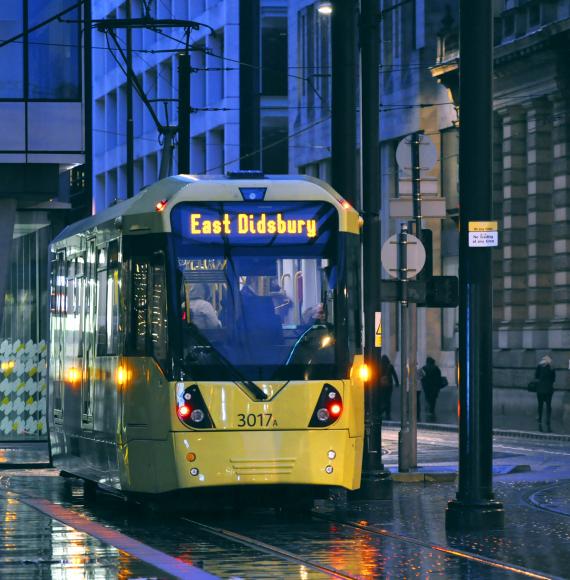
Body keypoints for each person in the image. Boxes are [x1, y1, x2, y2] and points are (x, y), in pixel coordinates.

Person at [535, 355, 555, 432]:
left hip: (540, 389)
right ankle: (548, 420)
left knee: (540, 405)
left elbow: (536, 376)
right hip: (549, 390)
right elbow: (554, 379)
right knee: (548, 405)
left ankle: (539, 419)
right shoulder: (552, 368)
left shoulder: (539, 367)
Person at [421, 356, 442, 421]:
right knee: (433, 398)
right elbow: (439, 378)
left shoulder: (424, 368)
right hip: (434, 386)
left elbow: (419, 377)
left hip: (426, 386)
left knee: (427, 397)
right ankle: (431, 410)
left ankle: (429, 408)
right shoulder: (436, 369)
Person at [379, 355, 399, 421]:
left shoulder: (380, 366)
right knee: (388, 399)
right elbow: (394, 375)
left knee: (382, 398)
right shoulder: (390, 366)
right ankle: (387, 412)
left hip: (381, 386)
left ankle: (382, 410)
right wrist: (397, 383)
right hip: (389, 385)